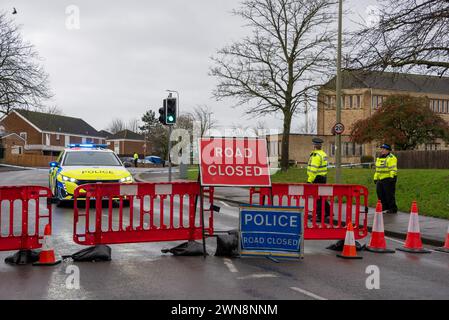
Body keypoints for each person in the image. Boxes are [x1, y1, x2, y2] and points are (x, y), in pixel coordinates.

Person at [307, 138, 330, 221]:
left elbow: (313, 169)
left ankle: (319, 216)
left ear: (315, 145)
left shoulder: (316, 156)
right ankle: (328, 212)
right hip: (323, 177)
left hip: (316, 178)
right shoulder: (323, 154)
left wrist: (310, 180)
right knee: (322, 196)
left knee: (318, 198)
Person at [374, 144, 398, 214]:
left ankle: (392, 208)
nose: (382, 150)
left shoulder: (391, 158)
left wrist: (392, 177)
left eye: (383, 149)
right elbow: (377, 169)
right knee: (380, 194)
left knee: (389, 194)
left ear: (388, 150)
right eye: (381, 149)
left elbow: (393, 168)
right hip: (380, 179)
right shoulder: (379, 158)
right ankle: (384, 208)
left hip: (388, 178)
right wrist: (375, 178)